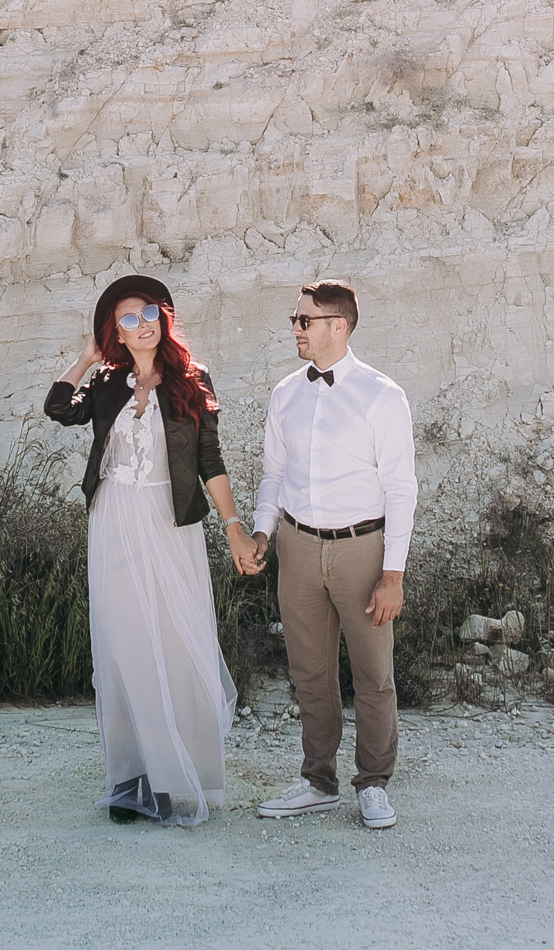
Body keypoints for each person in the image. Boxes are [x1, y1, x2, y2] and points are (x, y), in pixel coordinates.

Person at [45, 274, 261, 825]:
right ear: (114, 333)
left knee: (168, 638)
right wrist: (87, 358)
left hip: (170, 521)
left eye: (146, 314)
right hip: (114, 517)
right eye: (125, 320)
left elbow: (210, 459)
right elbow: (59, 409)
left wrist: (233, 525)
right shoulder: (108, 381)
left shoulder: (191, 379)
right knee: (122, 642)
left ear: (162, 317)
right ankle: (131, 779)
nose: (139, 326)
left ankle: (172, 772)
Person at [251, 279, 417, 831]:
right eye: (295, 319)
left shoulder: (382, 395)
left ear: (337, 326)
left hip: (362, 549)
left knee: (373, 674)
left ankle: (373, 784)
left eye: (305, 321)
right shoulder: (284, 394)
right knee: (310, 672)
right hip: (297, 548)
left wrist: (392, 573)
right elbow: (273, 473)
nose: (295, 329)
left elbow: (401, 489)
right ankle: (316, 781)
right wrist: (262, 534)